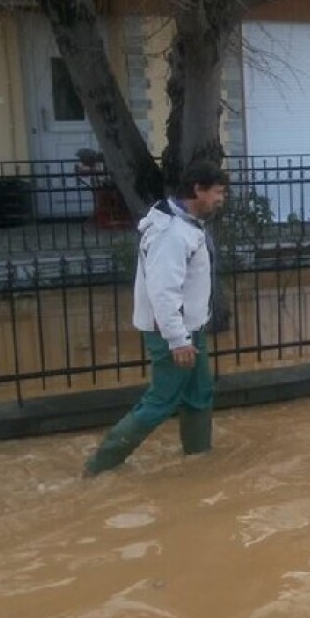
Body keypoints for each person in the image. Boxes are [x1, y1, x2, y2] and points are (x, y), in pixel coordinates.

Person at [84, 161, 229, 476]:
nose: (221, 199)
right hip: (173, 334)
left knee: (199, 394)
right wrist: (178, 340)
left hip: (189, 329)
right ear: (198, 190)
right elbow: (163, 292)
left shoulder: (185, 224)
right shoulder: (172, 234)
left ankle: (198, 459)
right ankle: (99, 468)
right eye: (217, 192)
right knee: (161, 401)